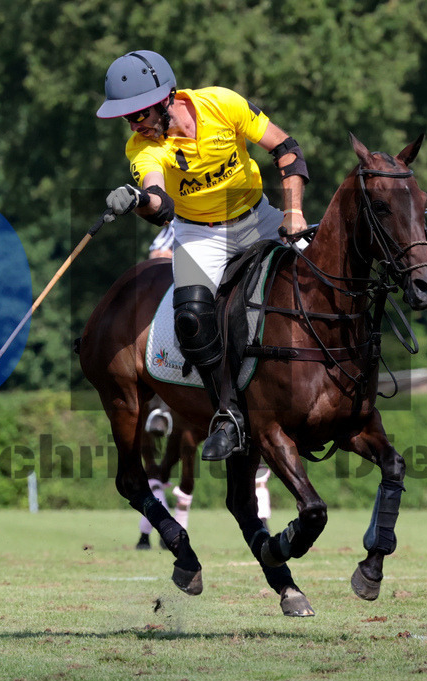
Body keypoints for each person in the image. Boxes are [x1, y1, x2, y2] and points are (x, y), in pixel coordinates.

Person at [97, 50, 310, 462]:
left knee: (324, 280)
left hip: (258, 217)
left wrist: (294, 212)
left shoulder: (221, 103)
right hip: (198, 234)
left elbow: (287, 150)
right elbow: (161, 205)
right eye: (128, 119)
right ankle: (228, 415)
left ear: (166, 98)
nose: (135, 125)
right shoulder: (141, 149)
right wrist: (140, 198)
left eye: (139, 114)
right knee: (191, 314)